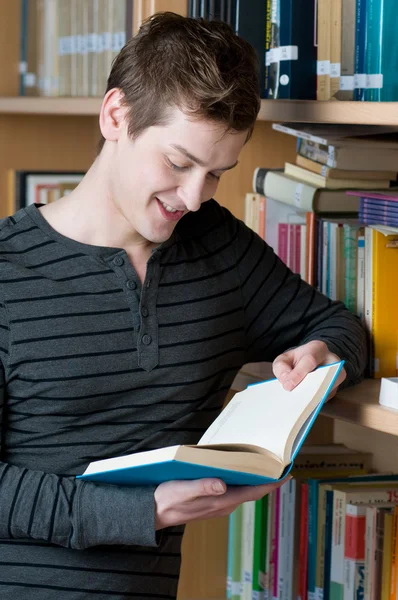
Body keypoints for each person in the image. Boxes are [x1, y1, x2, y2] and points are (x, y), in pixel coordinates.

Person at [0, 11, 366, 599]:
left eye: (217, 174)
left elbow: (338, 324)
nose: (194, 197)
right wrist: (145, 512)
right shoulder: (6, 271)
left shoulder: (217, 247)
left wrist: (323, 352)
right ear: (116, 115)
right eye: (178, 163)